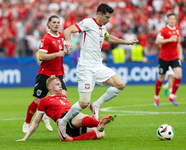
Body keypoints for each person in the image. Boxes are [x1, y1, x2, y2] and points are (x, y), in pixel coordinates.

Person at [57, 3, 138, 140]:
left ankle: (96, 105)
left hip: (98, 66)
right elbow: (68, 30)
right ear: (99, 14)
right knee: (83, 103)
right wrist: (68, 41)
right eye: (106, 17)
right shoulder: (88, 22)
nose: (108, 20)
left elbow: (108, 38)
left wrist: (126, 42)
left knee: (120, 85)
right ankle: (63, 122)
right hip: (86, 68)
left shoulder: (102, 27)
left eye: (109, 17)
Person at [17, 75, 114, 141]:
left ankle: (70, 139)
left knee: (100, 133)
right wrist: (25, 138)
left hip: (72, 126)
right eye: (57, 85)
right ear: (49, 87)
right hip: (64, 121)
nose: (60, 87)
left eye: (60, 84)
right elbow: (36, 122)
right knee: (79, 115)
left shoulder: (63, 96)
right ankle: (100, 123)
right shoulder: (44, 100)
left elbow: (62, 85)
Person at [22, 15, 68, 133]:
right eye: (53, 22)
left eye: (58, 22)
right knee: (38, 100)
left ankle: (56, 121)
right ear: (48, 24)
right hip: (46, 73)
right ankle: (27, 123)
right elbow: (41, 56)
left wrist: (68, 47)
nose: (56, 24)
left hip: (58, 73)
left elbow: (63, 49)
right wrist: (57, 54)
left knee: (63, 97)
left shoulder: (62, 36)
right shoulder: (46, 38)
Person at [154, 13, 183, 107]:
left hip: (174, 57)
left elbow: (178, 41)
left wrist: (179, 43)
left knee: (179, 74)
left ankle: (172, 95)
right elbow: (157, 41)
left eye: (174, 19)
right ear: (167, 20)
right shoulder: (163, 30)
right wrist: (169, 40)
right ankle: (156, 96)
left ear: (176, 20)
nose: (172, 20)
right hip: (164, 57)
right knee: (161, 78)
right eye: (170, 19)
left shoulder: (177, 29)